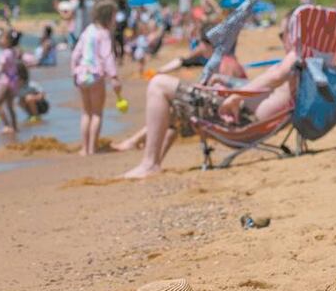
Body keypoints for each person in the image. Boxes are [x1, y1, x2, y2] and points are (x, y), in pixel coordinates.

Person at [122, 20, 296, 178]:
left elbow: (273, 78)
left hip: (239, 119)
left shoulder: (293, 59)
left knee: (158, 84)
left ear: (294, 34)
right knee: (174, 105)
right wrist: (227, 84)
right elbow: (259, 85)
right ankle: (152, 159)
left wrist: (233, 96)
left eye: (282, 35)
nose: (281, 40)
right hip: (244, 117)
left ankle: (149, 162)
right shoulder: (298, 66)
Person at [71, 0, 122, 156]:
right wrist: (114, 76)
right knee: (97, 113)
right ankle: (93, 148)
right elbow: (107, 56)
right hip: (95, 75)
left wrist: (74, 72)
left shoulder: (88, 31)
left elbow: (76, 54)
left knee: (86, 112)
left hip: (81, 74)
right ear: (109, 18)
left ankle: (84, 148)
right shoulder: (104, 34)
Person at [0, 28, 21, 135]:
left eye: (2, 38)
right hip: (13, 81)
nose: (0, 40)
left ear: (8, 41)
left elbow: (1, 69)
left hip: (5, 82)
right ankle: (14, 127)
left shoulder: (5, 53)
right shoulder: (13, 51)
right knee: (10, 106)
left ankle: (6, 125)